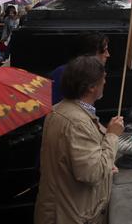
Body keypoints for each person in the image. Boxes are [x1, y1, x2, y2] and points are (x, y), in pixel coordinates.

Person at [35, 56, 125, 224]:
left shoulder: (58, 110)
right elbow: (92, 173)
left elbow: (72, 162)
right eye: (103, 79)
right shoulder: (78, 123)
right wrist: (112, 135)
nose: (105, 82)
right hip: (72, 216)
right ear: (91, 87)